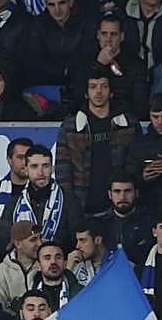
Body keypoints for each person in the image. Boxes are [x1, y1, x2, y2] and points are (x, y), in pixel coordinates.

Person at [58, 68, 139, 215]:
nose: (99, 92)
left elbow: (135, 165)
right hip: (82, 207)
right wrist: (71, 206)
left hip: (119, 208)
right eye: (93, 87)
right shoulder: (70, 126)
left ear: (111, 92)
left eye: (104, 86)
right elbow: (63, 171)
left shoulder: (129, 124)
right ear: (86, 93)